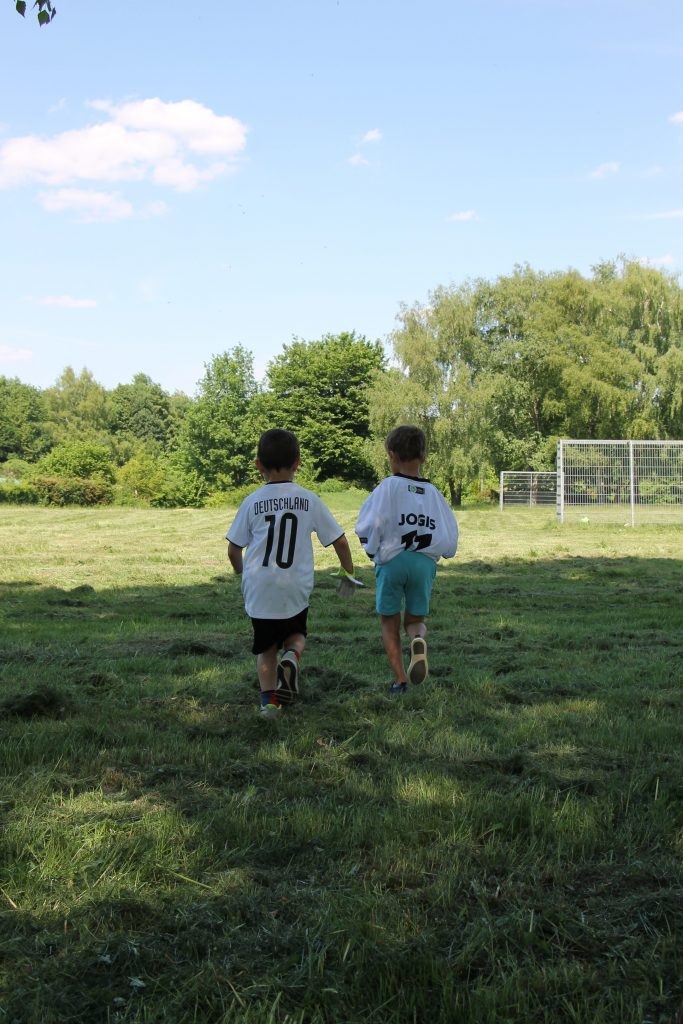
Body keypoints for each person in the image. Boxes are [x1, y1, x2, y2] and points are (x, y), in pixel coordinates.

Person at [227, 428, 355, 717]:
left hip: (260, 587)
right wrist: (348, 573)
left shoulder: (251, 501)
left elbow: (234, 550)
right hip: (295, 587)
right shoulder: (308, 499)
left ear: (258, 464)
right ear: (298, 462)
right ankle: (293, 657)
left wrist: (241, 573)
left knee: (265, 647)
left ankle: (269, 703)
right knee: (296, 634)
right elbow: (341, 541)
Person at [355, 425, 458, 694]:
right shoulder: (434, 493)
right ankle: (417, 639)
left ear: (392, 455)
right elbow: (449, 532)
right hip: (423, 564)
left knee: (389, 622)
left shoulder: (388, 487)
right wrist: (444, 552)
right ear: (423, 457)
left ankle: (400, 679)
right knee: (414, 619)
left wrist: (371, 549)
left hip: (393, 562)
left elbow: (370, 523)